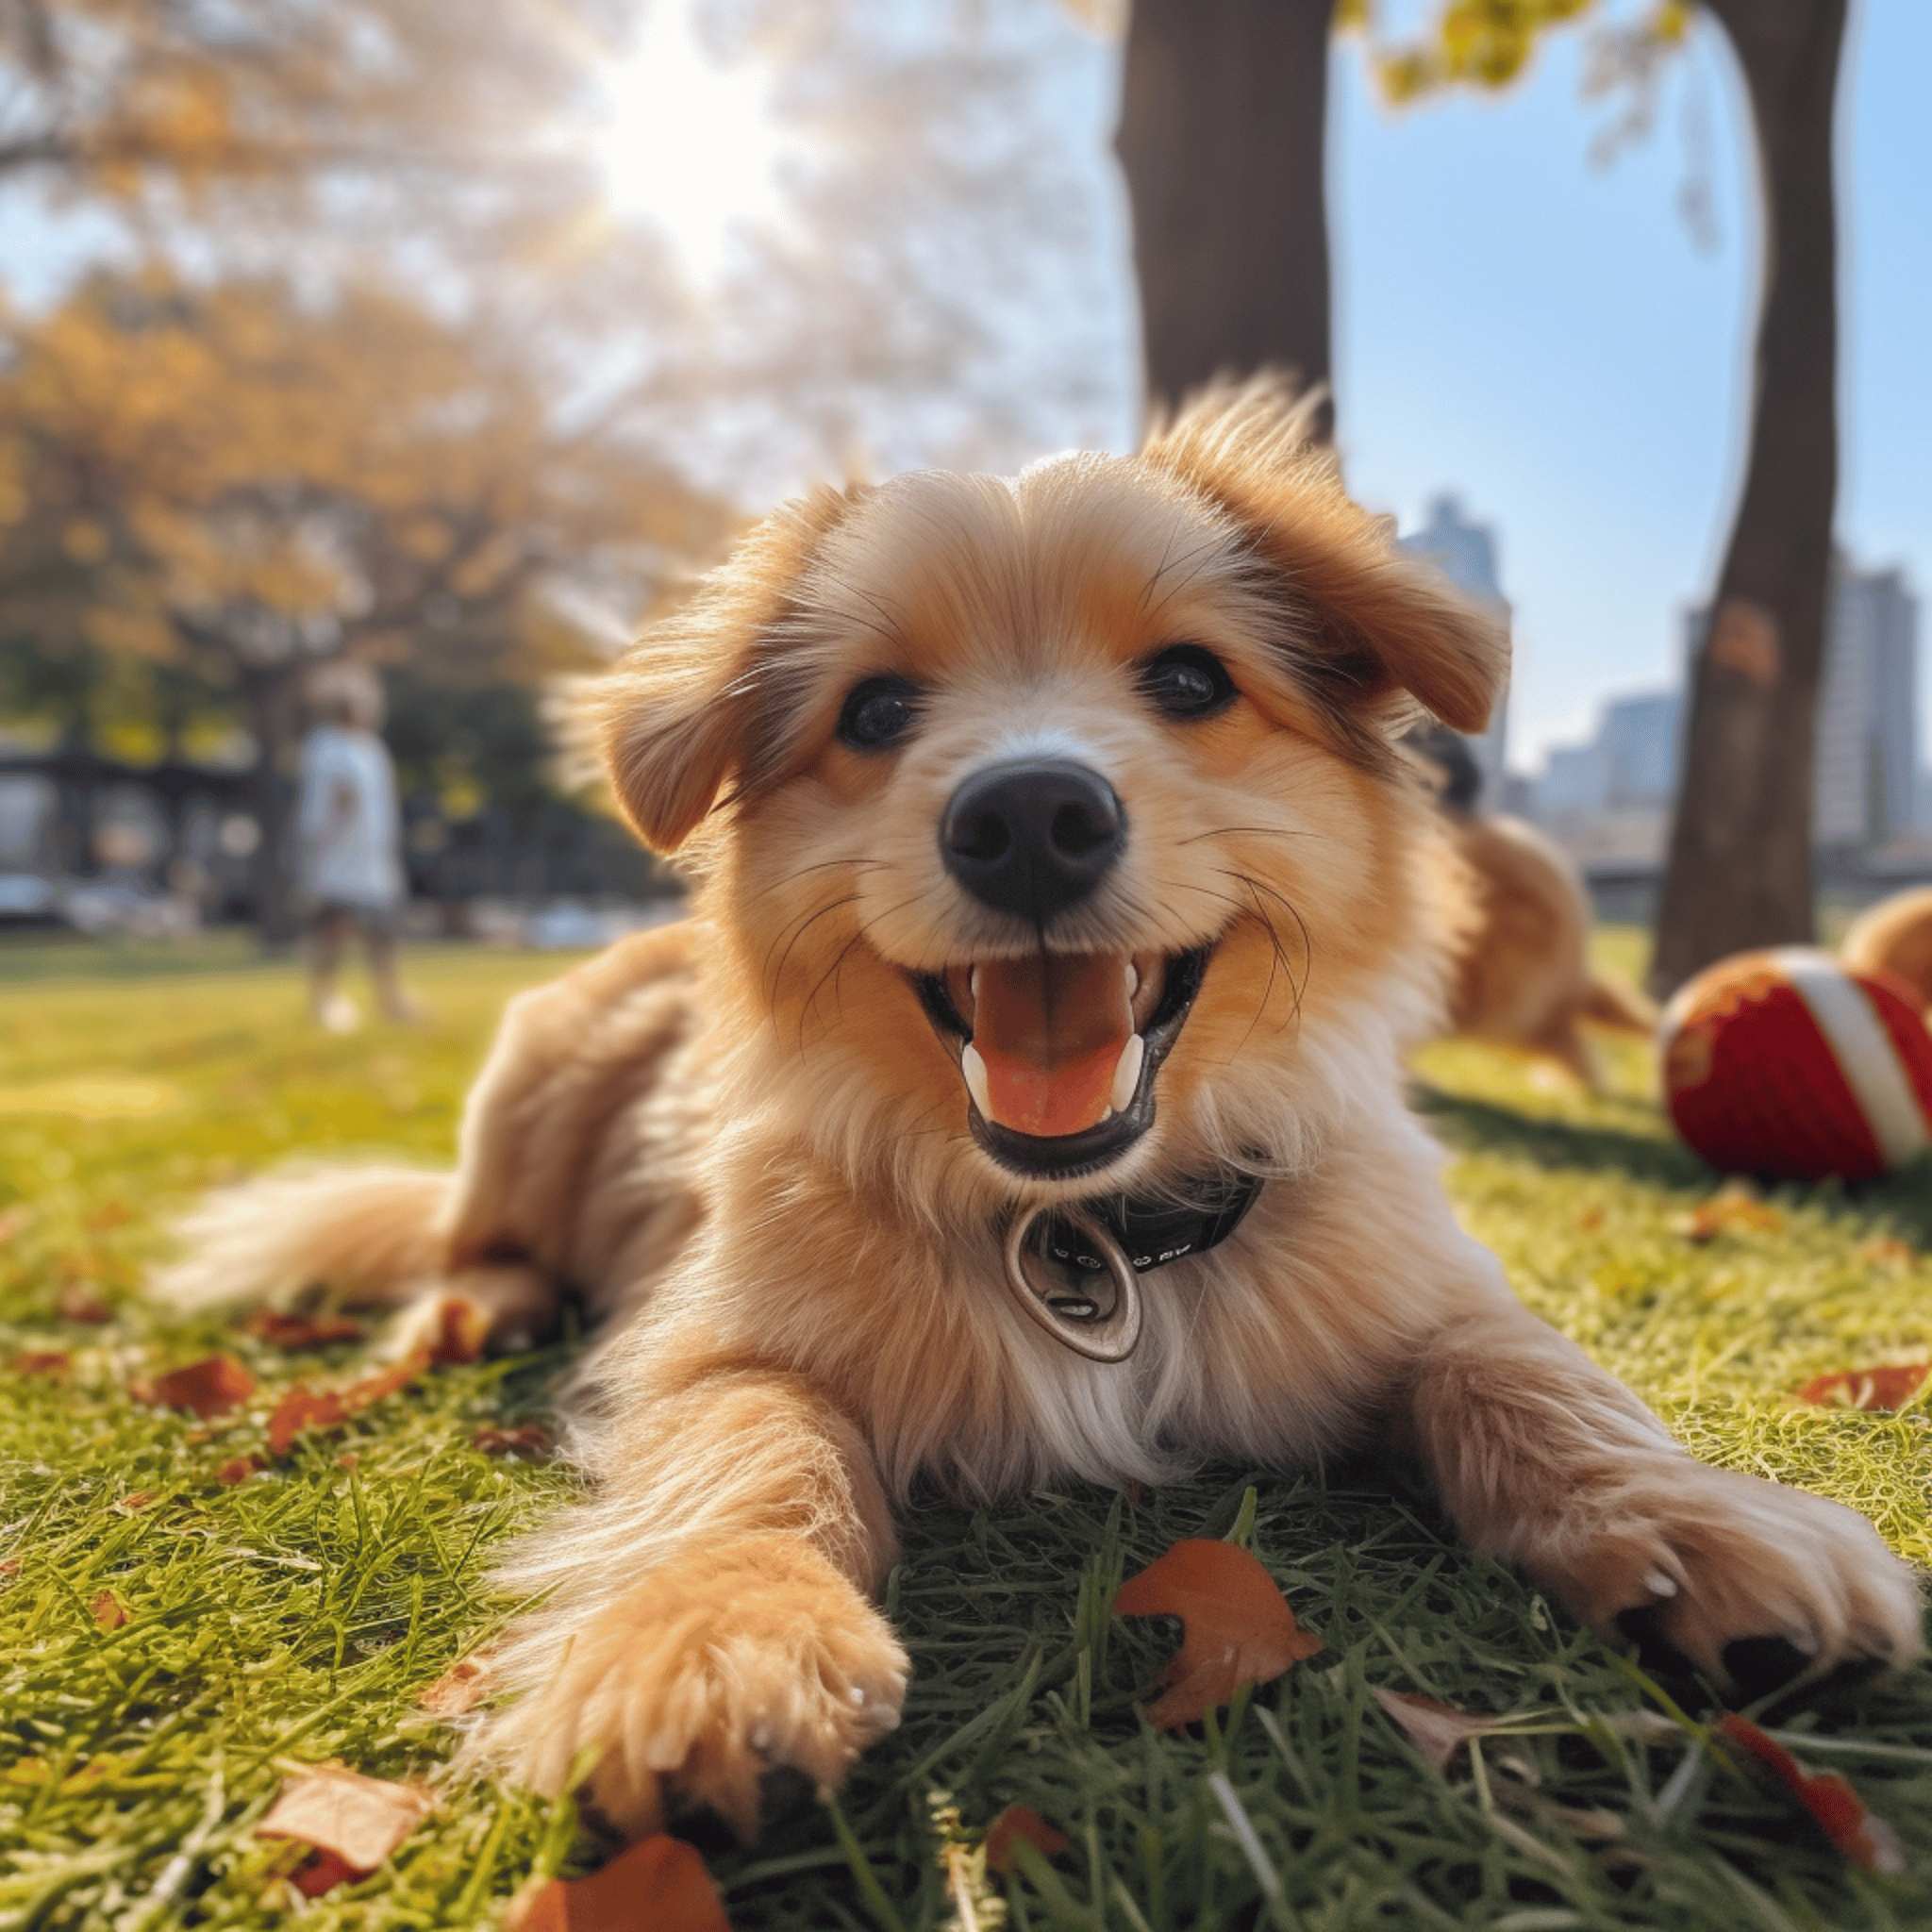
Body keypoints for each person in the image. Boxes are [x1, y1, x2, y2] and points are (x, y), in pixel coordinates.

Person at [296, 660, 420, 1030]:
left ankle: (390, 999)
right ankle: (323, 1000)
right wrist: (322, 845)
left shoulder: (370, 748)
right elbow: (338, 797)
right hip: (337, 855)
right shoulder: (326, 744)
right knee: (332, 930)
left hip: (372, 856)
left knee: (381, 932)